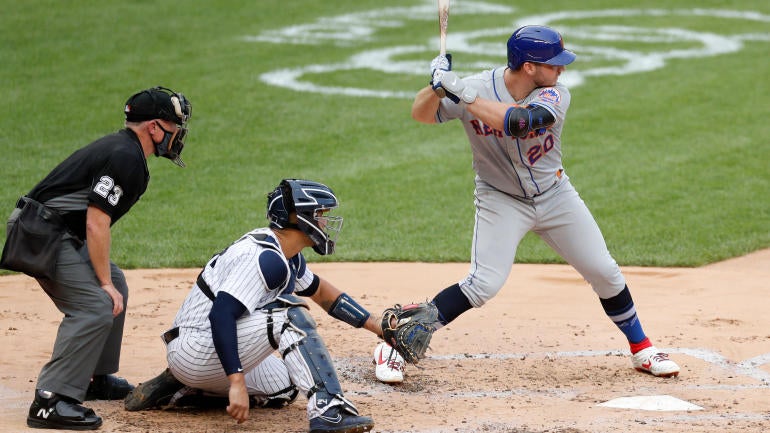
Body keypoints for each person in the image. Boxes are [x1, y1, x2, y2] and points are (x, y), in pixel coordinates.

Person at [385, 25, 679, 379]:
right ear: (528, 66)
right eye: (553, 64)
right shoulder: (475, 87)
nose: (561, 70)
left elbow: (520, 123)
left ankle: (642, 348)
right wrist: (435, 87)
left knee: (604, 271)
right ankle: (394, 342)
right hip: (501, 199)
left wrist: (462, 95)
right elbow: (420, 113)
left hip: (555, 196)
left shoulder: (554, 95)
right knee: (483, 284)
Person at [124, 179, 378, 433]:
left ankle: (183, 389)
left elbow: (323, 293)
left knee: (290, 384)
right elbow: (221, 314)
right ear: (300, 218)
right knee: (289, 314)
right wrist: (237, 382)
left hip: (210, 354)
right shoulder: (263, 258)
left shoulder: (287, 256)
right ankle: (328, 411)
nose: (326, 223)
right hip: (195, 348)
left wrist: (379, 328)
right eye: (321, 214)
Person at [7, 86, 192, 430]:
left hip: (52, 230)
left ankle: (95, 378)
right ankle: (51, 401)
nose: (177, 135)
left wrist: (109, 279)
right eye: (173, 126)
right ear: (153, 127)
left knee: (116, 281)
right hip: (42, 235)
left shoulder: (125, 149)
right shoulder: (125, 156)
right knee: (94, 304)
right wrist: (102, 283)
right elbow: (96, 221)